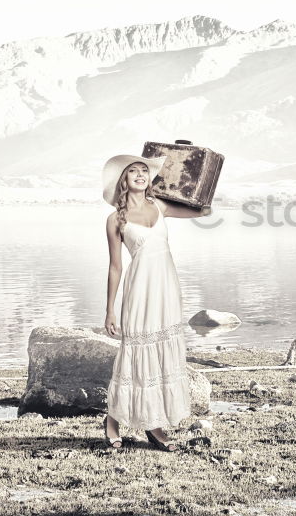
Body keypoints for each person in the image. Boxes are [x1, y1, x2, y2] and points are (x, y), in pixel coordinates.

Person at [100, 153, 211, 452]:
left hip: (166, 287)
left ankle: (153, 423)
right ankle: (112, 421)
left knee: (161, 353)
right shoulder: (115, 219)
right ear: (122, 180)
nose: (139, 175)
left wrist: (200, 178)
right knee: (135, 352)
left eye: (143, 171)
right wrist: (110, 309)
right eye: (132, 171)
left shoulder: (160, 206)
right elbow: (115, 267)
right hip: (139, 289)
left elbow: (201, 212)